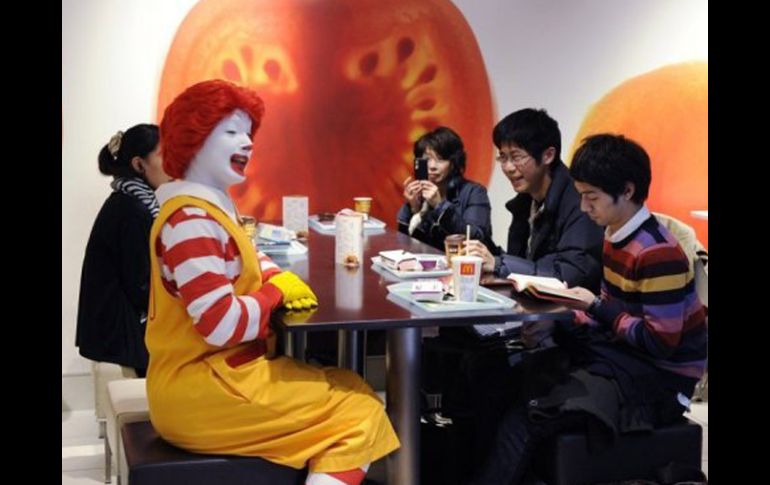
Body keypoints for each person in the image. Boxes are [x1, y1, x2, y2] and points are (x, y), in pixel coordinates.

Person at [146, 79, 399, 484]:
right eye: (231, 132)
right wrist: (275, 291)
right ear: (193, 138)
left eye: (248, 133)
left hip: (217, 376)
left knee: (351, 383)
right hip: (204, 388)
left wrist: (276, 275)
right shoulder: (191, 221)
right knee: (360, 414)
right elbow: (220, 324)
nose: (247, 142)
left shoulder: (205, 210)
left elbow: (249, 255)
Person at [470, 134, 708, 484]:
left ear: (627, 191)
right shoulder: (615, 234)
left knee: (531, 414)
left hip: (662, 379)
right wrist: (559, 320)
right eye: (581, 195)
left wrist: (593, 306)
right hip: (621, 358)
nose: (584, 207)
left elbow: (660, 342)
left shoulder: (657, 252)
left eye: (591, 197)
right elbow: (609, 311)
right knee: (500, 376)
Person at [464, 108, 603, 287]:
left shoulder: (579, 202)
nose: (508, 168)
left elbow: (571, 274)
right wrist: (485, 254)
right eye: (503, 157)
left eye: (516, 157)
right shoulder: (526, 200)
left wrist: (499, 264)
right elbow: (525, 262)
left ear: (548, 155)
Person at [76, 124, 171, 377]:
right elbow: (140, 284)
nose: (172, 163)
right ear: (139, 164)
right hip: (121, 333)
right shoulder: (132, 209)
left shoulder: (130, 201)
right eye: (163, 155)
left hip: (115, 326)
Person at [398, 126, 493, 250]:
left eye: (440, 160)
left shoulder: (474, 192)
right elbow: (405, 244)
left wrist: (440, 206)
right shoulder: (420, 194)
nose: (432, 166)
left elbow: (477, 237)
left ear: (453, 163)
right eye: (426, 160)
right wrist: (413, 209)